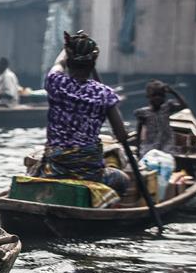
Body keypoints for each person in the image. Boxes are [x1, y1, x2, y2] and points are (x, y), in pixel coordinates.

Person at [28, 31, 130, 195]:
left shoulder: (56, 82)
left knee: (34, 169)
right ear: (92, 63)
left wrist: (67, 47)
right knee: (122, 179)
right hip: (89, 172)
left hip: (55, 168)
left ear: (70, 61)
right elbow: (122, 135)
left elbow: (59, 62)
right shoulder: (105, 93)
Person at [135, 80, 188, 155]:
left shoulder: (168, 107)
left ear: (164, 97)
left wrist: (173, 92)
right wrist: (138, 148)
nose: (158, 98)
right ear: (148, 97)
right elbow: (139, 131)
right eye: (154, 95)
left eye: (160, 95)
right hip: (150, 145)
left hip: (167, 145)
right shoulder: (142, 113)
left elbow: (184, 106)